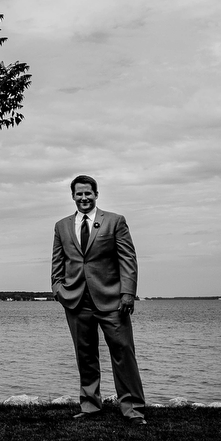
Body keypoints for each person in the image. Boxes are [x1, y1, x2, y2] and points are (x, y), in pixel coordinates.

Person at [50, 175, 147, 424]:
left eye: (88, 193)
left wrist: (128, 293)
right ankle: (90, 405)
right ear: (73, 196)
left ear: (96, 194)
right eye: (79, 194)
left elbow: (128, 259)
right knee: (85, 355)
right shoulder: (61, 226)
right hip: (75, 300)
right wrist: (58, 289)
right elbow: (58, 262)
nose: (84, 198)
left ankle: (132, 408)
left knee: (123, 353)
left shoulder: (115, 221)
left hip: (113, 300)